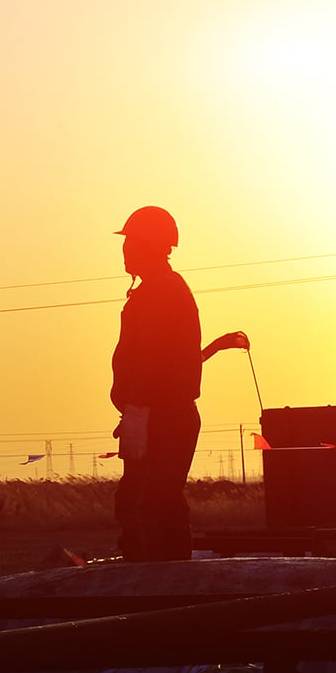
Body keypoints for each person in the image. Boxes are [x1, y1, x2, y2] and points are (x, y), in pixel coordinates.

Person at [109, 205, 245, 562]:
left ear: (149, 247)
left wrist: (138, 410)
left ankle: (152, 589)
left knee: (144, 506)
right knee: (159, 506)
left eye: (130, 243)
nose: (124, 251)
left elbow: (154, 364)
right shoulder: (159, 290)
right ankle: (167, 581)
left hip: (162, 418)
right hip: (156, 415)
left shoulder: (161, 293)